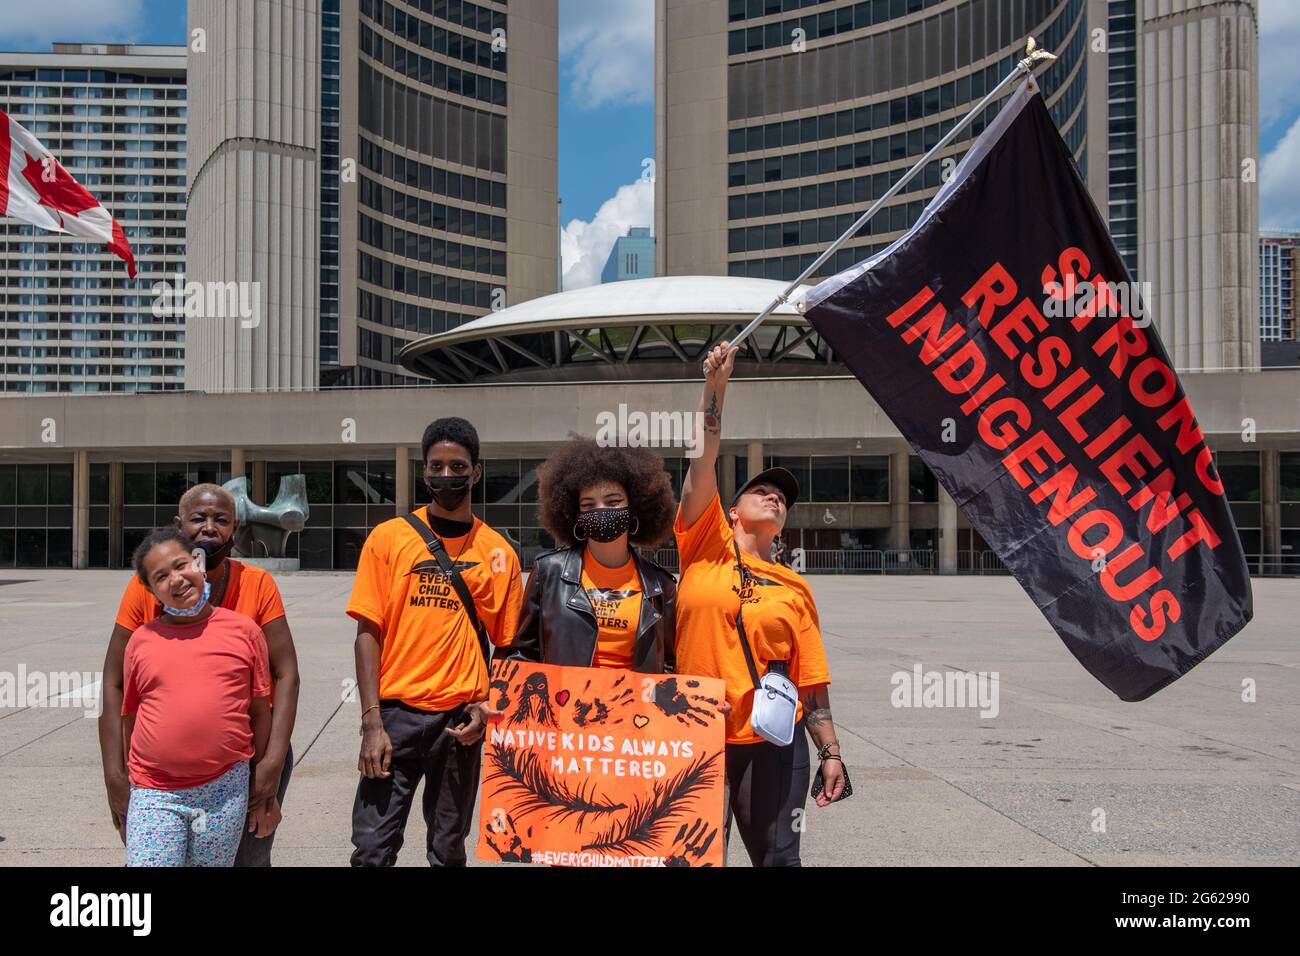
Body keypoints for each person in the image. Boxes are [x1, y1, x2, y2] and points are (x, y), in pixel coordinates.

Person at [673, 340, 847, 867]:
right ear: (729, 510)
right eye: (762, 491)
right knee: (690, 861)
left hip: (773, 743)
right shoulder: (703, 544)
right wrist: (715, 388)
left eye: (783, 498)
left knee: (778, 861)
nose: (776, 497)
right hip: (694, 735)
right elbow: (704, 454)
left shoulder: (795, 588)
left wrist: (832, 751)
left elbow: (810, 681)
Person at [348, 416, 523, 866]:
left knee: (448, 849)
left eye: (458, 466)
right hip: (394, 718)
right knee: (371, 851)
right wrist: (371, 723)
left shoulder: (499, 552)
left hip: (459, 722)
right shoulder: (388, 539)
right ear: (424, 471)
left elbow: (507, 647)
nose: (447, 475)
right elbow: (368, 634)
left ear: (476, 472)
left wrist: (488, 710)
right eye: (437, 466)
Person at [99, 483, 300, 867]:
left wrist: (271, 762)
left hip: (248, 755)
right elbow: (114, 682)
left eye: (221, 520)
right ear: (179, 525)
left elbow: (286, 673)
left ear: (235, 528)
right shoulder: (147, 589)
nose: (209, 528)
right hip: (161, 777)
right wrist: (114, 772)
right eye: (198, 519)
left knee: (249, 858)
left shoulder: (257, 586)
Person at [121, 528, 274, 866]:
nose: (176, 579)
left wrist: (263, 783)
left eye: (181, 565)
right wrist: (126, 782)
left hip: (224, 789)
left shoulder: (244, 631)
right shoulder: (141, 641)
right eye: (161, 576)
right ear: (150, 590)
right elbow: (130, 715)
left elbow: (261, 711)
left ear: (198, 563)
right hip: (155, 792)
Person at [508, 438, 677, 672]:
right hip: (565, 703)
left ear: (634, 507)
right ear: (575, 514)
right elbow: (523, 654)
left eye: (613, 501)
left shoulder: (660, 585)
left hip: (634, 706)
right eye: (588, 505)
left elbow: (668, 665)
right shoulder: (548, 572)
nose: (600, 510)